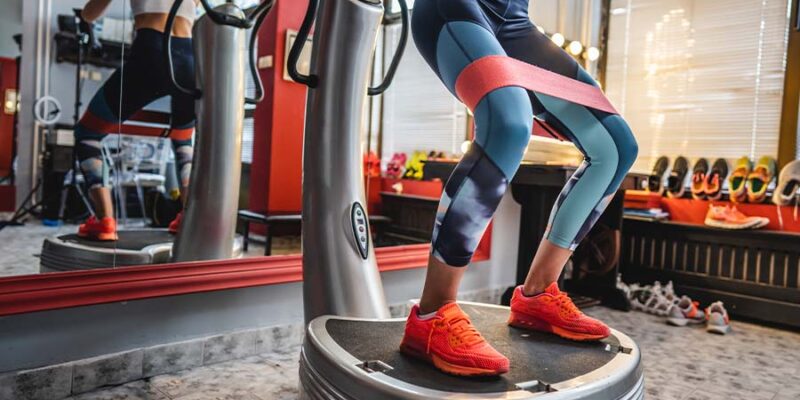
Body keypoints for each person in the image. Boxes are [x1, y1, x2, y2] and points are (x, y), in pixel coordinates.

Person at [400, 0, 639, 376]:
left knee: (616, 147)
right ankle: (432, 314)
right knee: (507, 123)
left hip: (513, 21)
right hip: (457, 8)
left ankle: (538, 295)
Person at [74, 0, 197, 240]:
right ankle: (188, 218)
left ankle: (104, 221)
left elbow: (89, 15)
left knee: (87, 133)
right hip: (189, 59)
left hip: (151, 51)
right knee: (183, 141)